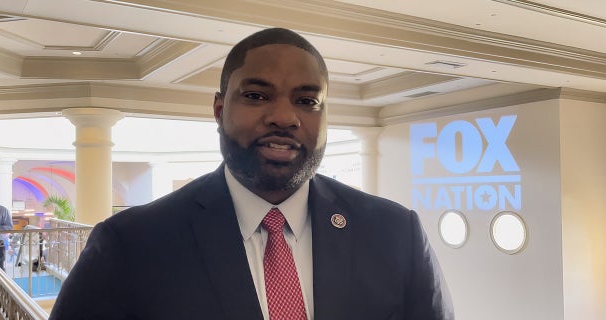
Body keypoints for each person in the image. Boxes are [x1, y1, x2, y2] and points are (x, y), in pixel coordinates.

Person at [49, 28, 454, 320]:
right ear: (220, 110)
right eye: (257, 96)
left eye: (307, 100)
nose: (284, 116)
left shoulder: (395, 232)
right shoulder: (130, 244)